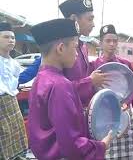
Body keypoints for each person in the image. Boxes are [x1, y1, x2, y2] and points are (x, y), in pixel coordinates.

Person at [28, 19, 113, 159]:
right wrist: (102, 146)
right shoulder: (60, 85)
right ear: (61, 48)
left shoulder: (40, 78)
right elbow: (71, 144)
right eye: (74, 47)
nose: (77, 54)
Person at [90, 24, 133, 159]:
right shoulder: (93, 65)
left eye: (115, 41)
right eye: (108, 41)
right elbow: (91, 90)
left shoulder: (125, 64)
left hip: (123, 109)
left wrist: (126, 102)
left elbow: (132, 86)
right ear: (100, 43)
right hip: (102, 113)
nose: (112, 44)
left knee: (130, 152)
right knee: (106, 150)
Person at [0, 22, 28, 159]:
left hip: (12, 103)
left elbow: (16, 82)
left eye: (13, 37)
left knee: (16, 133)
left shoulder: (15, 64)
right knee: (3, 136)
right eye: (6, 37)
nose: (11, 40)